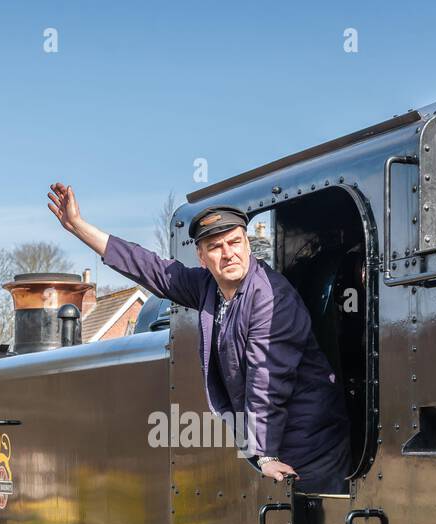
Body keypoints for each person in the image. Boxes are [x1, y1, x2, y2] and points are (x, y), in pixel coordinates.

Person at [47, 182, 352, 493]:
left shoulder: (272, 298)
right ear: (202, 256)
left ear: (247, 244)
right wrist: (77, 226)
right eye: (216, 248)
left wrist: (264, 453)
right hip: (275, 442)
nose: (228, 254)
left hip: (309, 446)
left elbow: (267, 379)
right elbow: (151, 268)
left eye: (234, 242)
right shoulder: (207, 287)